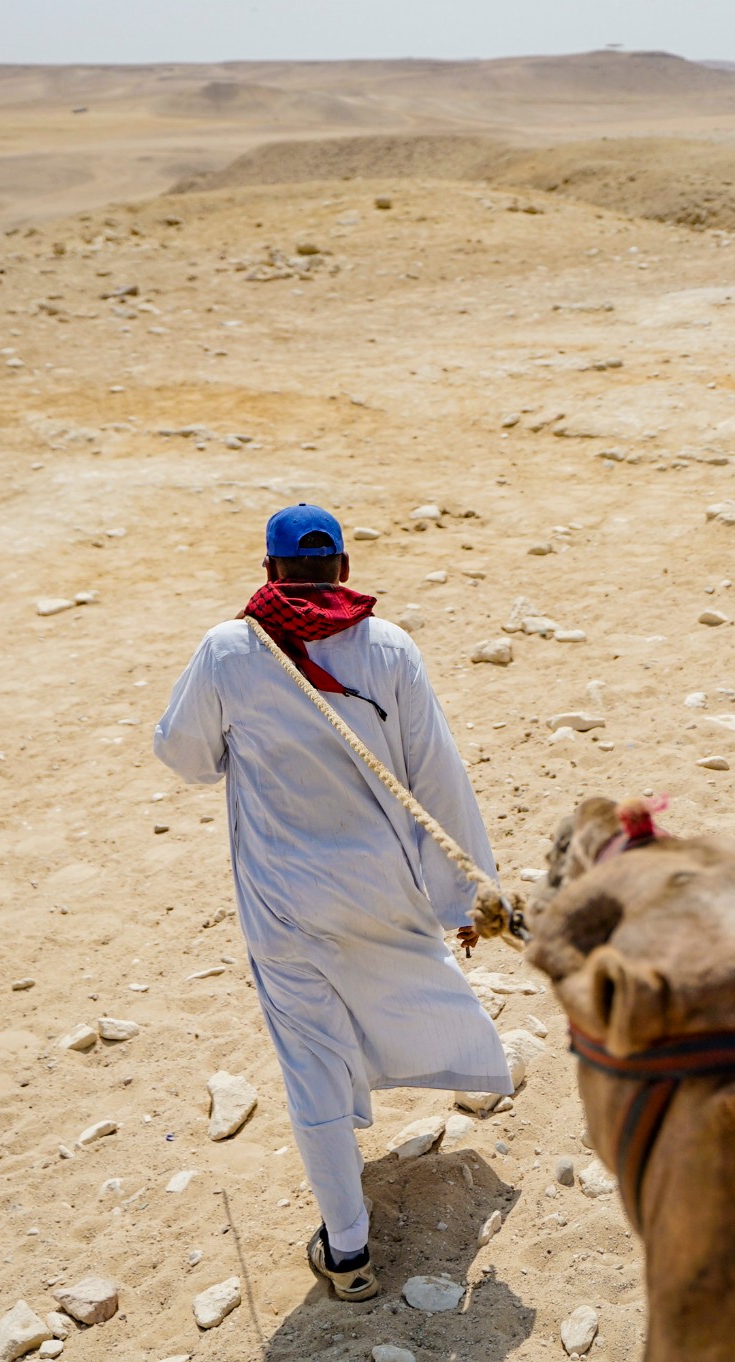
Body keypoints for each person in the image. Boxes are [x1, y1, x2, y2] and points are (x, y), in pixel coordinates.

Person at [154, 503, 510, 1302]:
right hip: (384, 885)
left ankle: (347, 1252)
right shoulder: (388, 646)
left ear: (270, 570)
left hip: (284, 896)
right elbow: (437, 777)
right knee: (404, 987)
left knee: (308, 1054)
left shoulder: (229, 650)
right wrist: (468, 894)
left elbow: (182, 756)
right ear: (343, 569)